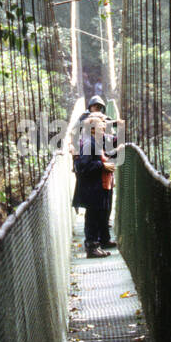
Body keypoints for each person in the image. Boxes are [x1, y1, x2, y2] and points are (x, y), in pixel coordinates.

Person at [72, 97, 118, 258]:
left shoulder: (96, 141)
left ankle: (96, 245)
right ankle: (91, 248)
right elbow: (81, 166)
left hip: (98, 186)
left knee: (97, 215)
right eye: (102, 125)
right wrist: (102, 166)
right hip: (92, 188)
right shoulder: (87, 143)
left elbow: (111, 148)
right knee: (92, 218)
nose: (105, 127)